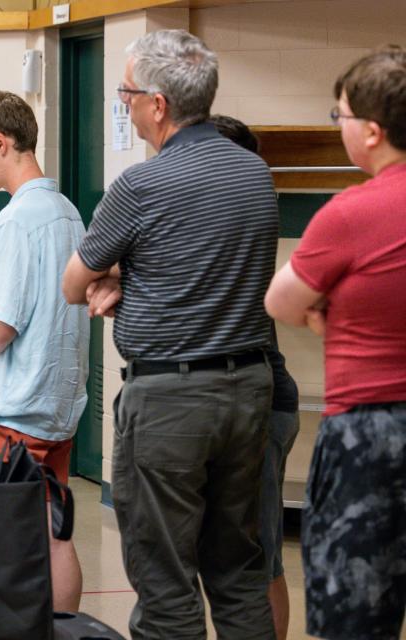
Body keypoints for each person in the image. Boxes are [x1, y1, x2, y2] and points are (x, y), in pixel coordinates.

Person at [63, 30, 279, 639]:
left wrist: (121, 278)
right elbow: (211, 266)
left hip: (171, 400)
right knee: (237, 568)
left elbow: (75, 284)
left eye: (127, 95)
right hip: (249, 390)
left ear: (157, 105)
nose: (124, 107)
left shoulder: (142, 184)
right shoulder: (254, 174)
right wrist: (141, 276)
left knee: (164, 576)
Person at [265, 47, 406, 640]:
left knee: (354, 613)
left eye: (340, 116)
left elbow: (282, 302)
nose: (338, 125)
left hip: (370, 437)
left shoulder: (352, 212)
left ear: (371, 132)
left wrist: (336, 308)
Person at [0, 91, 89, 613]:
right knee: (55, 536)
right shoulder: (68, 212)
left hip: (9, 417)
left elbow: (1, 323)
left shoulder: (16, 218)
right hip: (54, 412)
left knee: (0, 551)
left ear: (1, 143)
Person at [210, 114, 300, 640]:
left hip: (262, 401)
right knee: (235, 551)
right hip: (233, 400)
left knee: (260, 552)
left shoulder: (244, 218)